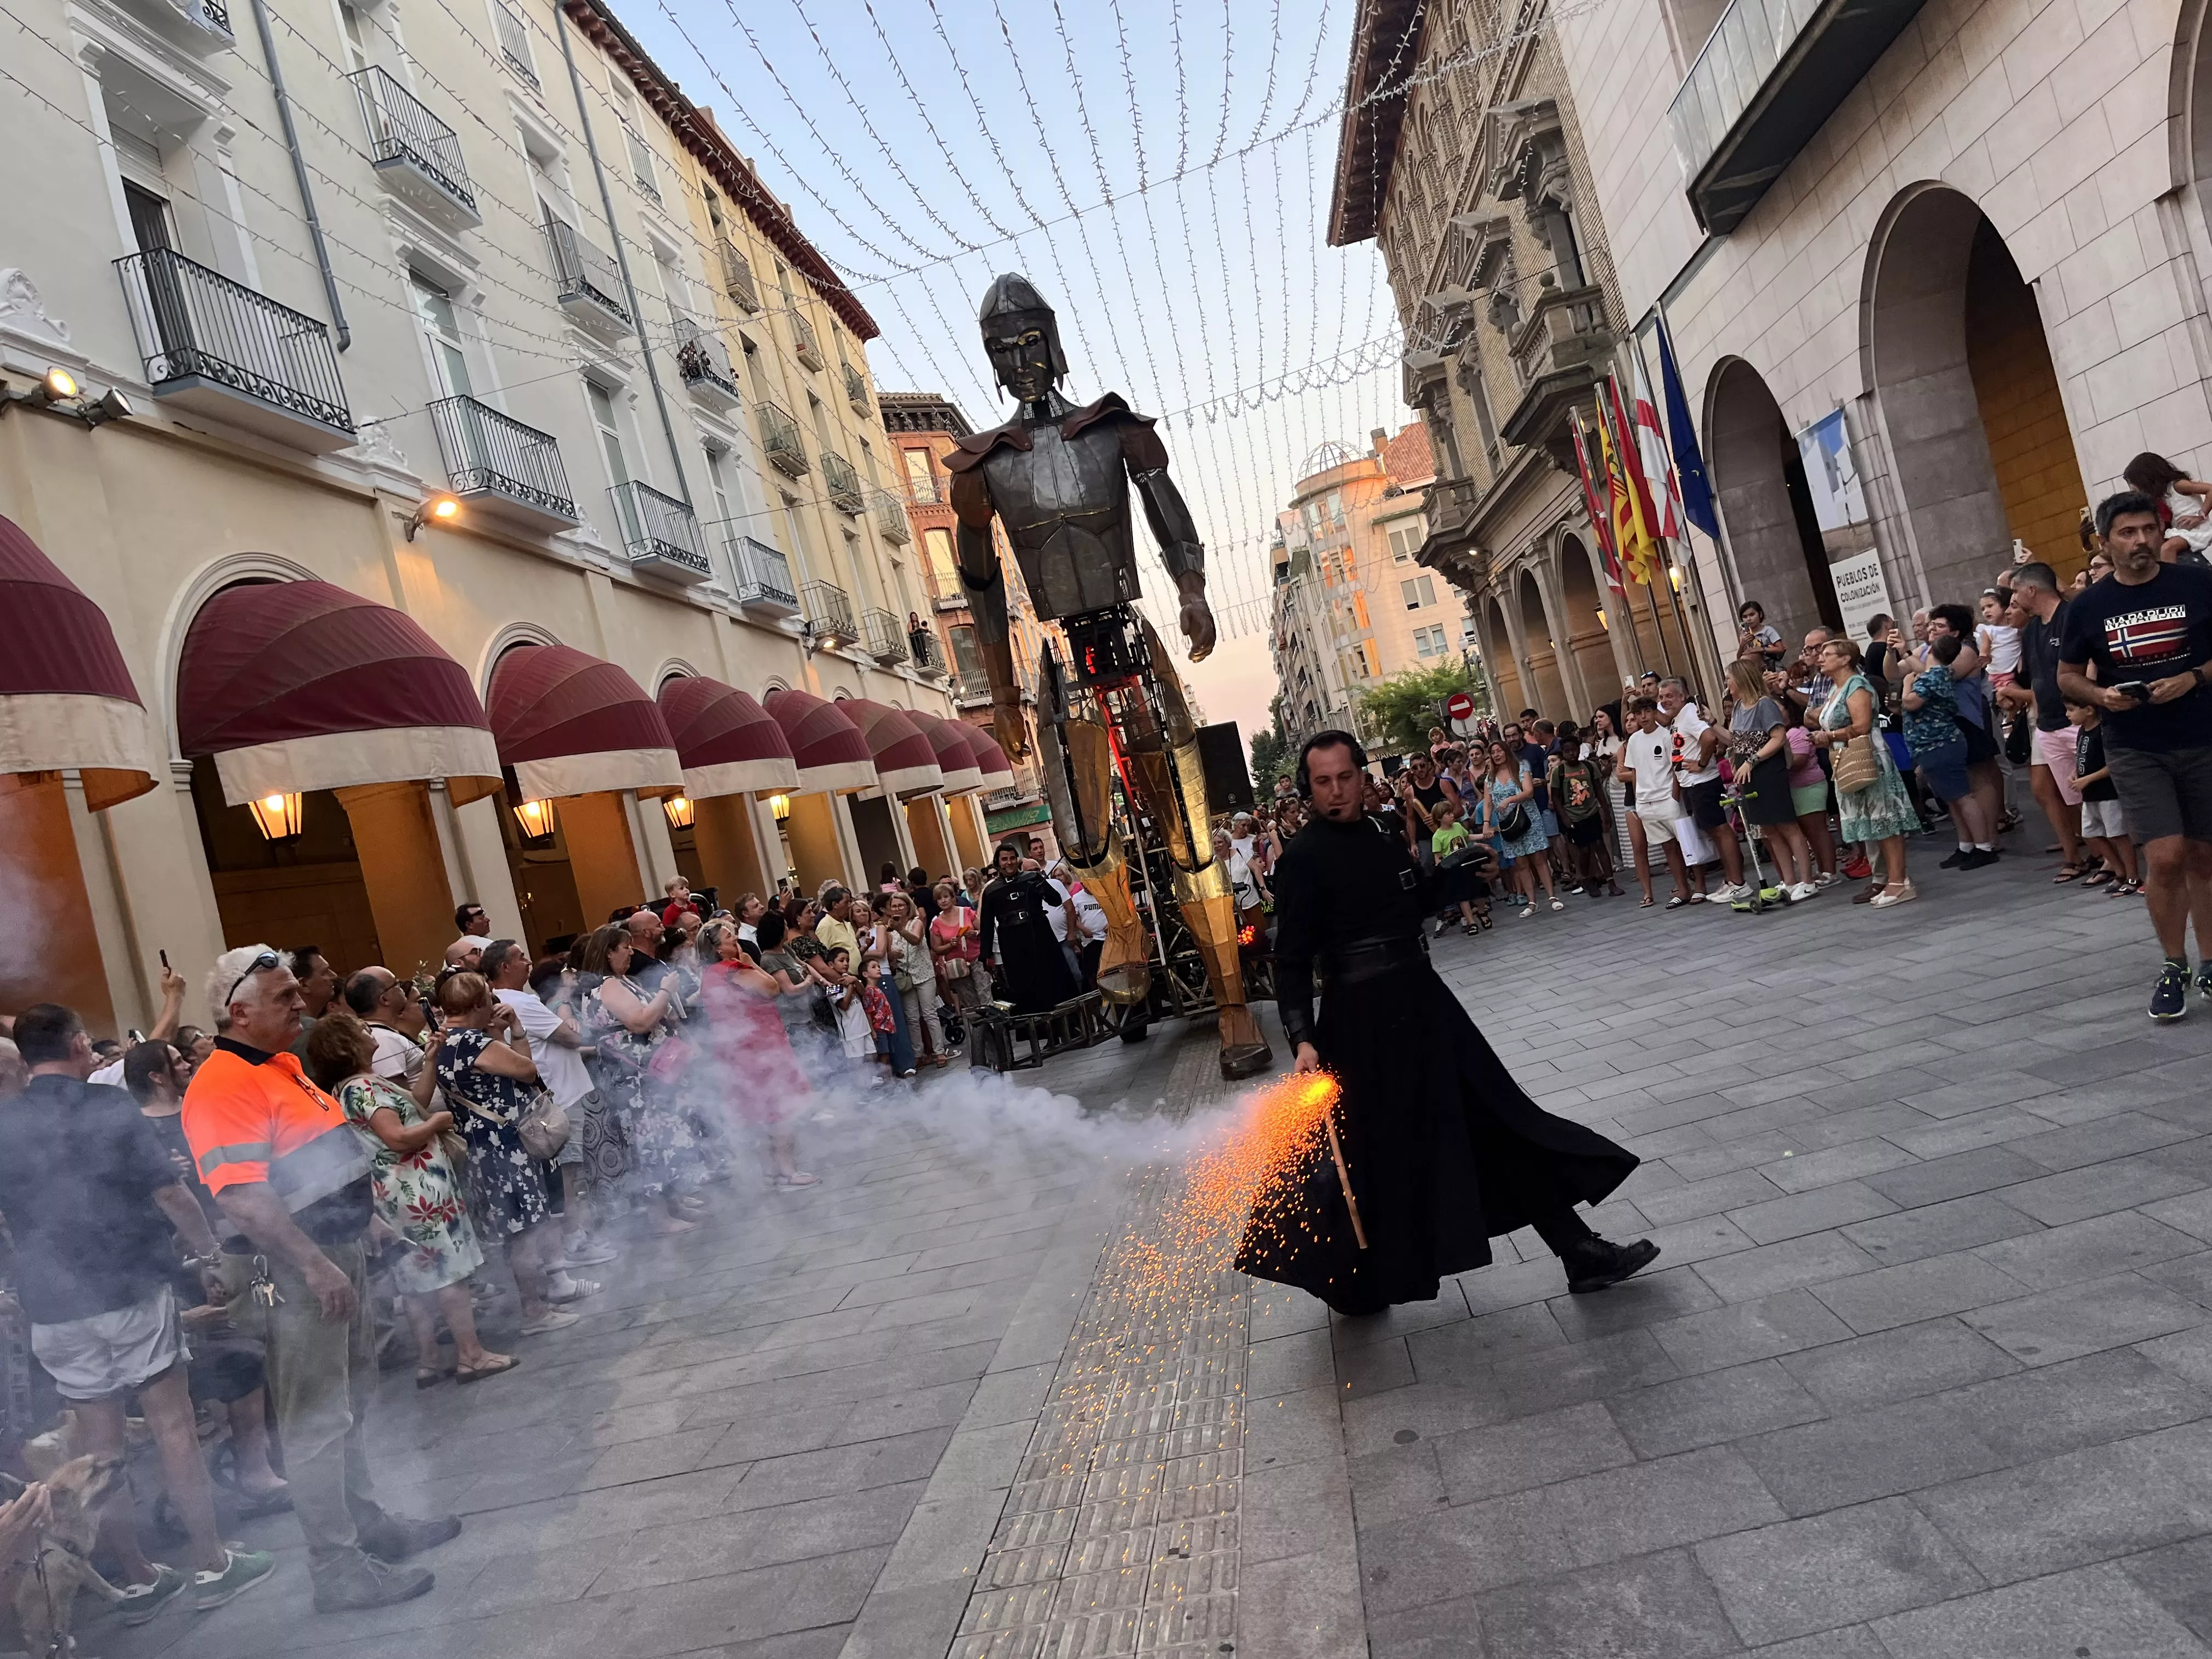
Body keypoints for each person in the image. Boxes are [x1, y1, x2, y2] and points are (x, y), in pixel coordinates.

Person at [1235, 733, 1657, 1314]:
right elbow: (1292, 959)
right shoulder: (1303, 858)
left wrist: (1459, 877)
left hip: (1424, 1006)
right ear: (1309, 789)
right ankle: (1349, 1282)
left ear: (1363, 776)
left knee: (1495, 1119)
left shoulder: (1384, 834)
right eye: (1322, 782)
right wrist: (1301, 1038)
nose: (1336, 792)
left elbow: (1410, 905)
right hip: (1360, 1031)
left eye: (1344, 777)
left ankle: (1578, 1250)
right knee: (1366, 1157)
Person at [184, 946, 460, 1611]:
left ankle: (369, 1526)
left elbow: (323, 1161)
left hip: (335, 1253)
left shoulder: (279, 1064)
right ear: (238, 1012)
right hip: (293, 1268)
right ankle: (336, 1568)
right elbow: (242, 1198)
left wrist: (367, 1228)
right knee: (313, 1422)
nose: (300, 1005)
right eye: (284, 999)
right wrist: (312, 1262)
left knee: (349, 1402)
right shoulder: (222, 1083)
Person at [2, 1006, 275, 1619]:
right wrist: (208, 1252)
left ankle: (137, 1573)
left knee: (94, 1446)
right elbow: (171, 1192)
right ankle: (211, 1563)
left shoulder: (3, 1123)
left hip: (53, 1304)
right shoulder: (105, 1108)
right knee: (173, 1423)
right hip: (127, 1286)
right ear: (77, 1045)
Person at [2059, 489, 2212, 1019]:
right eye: (2128, 533)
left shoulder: (2195, 583)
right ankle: (2174, 963)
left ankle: (2211, 963)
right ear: (2106, 542)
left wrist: (2192, 677)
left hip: (2201, 734)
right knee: (2165, 856)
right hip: (2135, 745)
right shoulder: (2090, 606)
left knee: (2204, 853)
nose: (2142, 541)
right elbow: (2067, 677)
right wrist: (2102, 697)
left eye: (2148, 529)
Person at [120, 1040, 290, 1515]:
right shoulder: (139, 1128)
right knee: (228, 1341)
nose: (185, 1065)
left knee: (266, 1330)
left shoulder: (198, 1106)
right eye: (175, 1062)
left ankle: (269, 1450)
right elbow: (156, 1196)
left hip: (234, 1233)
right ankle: (244, 1463)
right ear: (156, 1076)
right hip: (191, 1253)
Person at [303, 1011, 513, 1387]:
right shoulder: (365, 1088)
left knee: (414, 1278)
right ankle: (472, 1355)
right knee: (450, 1273)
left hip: (396, 1194)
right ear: (348, 1045)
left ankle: (429, 1361)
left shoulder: (351, 1087)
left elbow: (414, 1100)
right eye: (362, 1031)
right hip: (418, 1191)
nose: (371, 1033)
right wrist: (438, 1123)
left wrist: (430, 1059)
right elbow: (397, 1136)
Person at [431, 974, 584, 1334]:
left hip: (483, 1147)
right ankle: (535, 1310)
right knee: (526, 1230)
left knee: (518, 1229)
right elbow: (527, 1071)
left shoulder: (446, 1042)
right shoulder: (472, 1041)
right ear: (478, 1005)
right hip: (507, 1147)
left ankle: (537, 1304)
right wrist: (515, 1030)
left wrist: (503, 1033)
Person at [483, 940, 617, 1270]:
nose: (528, 962)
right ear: (504, 967)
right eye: (520, 958)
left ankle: (575, 1239)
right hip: (559, 1098)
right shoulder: (520, 1003)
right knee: (569, 1176)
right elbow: (572, 1038)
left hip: (553, 1096)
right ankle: (575, 1243)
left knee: (568, 1175)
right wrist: (570, 1023)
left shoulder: (511, 1001)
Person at [577, 923, 699, 1232]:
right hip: (634, 1079)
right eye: (625, 947)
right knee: (647, 1143)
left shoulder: (621, 982)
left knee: (663, 1136)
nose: (631, 952)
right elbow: (639, 1022)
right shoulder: (608, 986)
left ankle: (673, 1201)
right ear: (608, 952)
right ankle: (658, 1215)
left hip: (647, 1076)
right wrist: (665, 991)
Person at [698, 919, 817, 1187]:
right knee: (781, 1107)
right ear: (718, 949)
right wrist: (750, 962)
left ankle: (769, 1171)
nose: (736, 939)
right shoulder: (733, 967)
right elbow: (772, 988)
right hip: (761, 1047)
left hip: (738, 1051)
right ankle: (788, 1169)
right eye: (729, 936)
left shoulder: (710, 974)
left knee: (757, 1111)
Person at [1812, 637, 1920, 906]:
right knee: (1873, 822)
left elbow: (1861, 726)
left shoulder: (1857, 685)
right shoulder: (1835, 689)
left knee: (1885, 819)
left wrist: (1830, 735)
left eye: (1827, 653)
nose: (1820, 658)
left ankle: (1900, 881)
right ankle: (1888, 880)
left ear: (1846, 658)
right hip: (1847, 759)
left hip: (1869, 756)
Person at [2001, 561, 2087, 879]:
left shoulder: (2069, 617)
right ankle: (2079, 854)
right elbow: (2036, 676)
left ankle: (2111, 857)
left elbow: (2086, 662)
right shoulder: (2032, 629)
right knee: (2067, 792)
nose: (2013, 600)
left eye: (2015, 592)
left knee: (2090, 790)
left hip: (2076, 716)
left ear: (2031, 590)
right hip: (2047, 721)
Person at [1903, 634, 1999, 870]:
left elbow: (1911, 703)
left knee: (1963, 797)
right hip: (1931, 744)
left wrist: (1907, 685)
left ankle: (1984, 847)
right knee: (1952, 799)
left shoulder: (1934, 676)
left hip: (1941, 743)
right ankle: (1966, 845)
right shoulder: (1938, 674)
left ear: (1932, 654)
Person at [1724, 658, 1816, 898]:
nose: (1727, 683)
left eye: (1729, 678)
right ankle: (1789, 880)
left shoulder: (1764, 705)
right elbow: (1735, 740)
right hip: (1747, 774)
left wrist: (1752, 760)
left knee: (1787, 825)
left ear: (1741, 680)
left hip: (1767, 770)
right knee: (1769, 830)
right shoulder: (1737, 707)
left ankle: (1807, 881)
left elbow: (1778, 737)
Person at [1657, 676, 1749, 900]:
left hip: (1703, 783)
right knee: (1714, 832)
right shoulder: (1678, 717)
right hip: (1692, 785)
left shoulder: (1689, 712)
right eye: (1661, 698)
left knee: (1720, 830)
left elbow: (1709, 738)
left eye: (1669, 696)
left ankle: (1738, 882)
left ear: (1682, 695)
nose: (1665, 701)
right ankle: (1731, 880)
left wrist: (1701, 763)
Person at [977, 839, 1079, 1011]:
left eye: (1012, 858)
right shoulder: (990, 890)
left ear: (1017, 860)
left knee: (1052, 976)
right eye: (1004, 859)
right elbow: (986, 924)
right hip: (1012, 942)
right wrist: (986, 955)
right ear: (998, 863)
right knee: (1023, 982)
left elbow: (1055, 901)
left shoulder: (1032, 877)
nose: (1009, 862)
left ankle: (1068, 1021)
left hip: (1040, 934)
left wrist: (1043, 889)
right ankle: (1037, 1027)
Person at [1619, 697, 1691, 908]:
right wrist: (1638, 801)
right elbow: (1634, 773)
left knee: (1686, 843)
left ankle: (1700, 888)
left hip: (1667, 798)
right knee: (1669, 847)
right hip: (1646, 802)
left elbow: (1676, 768)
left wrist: (1674, 798)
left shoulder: (1666, 735)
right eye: (1639, 713)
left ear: (1654, 712)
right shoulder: (1634, 740)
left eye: (1647, 711)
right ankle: (1683, 889)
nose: (1643, 717)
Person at [1479, 737, 1560, 913]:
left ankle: (1552, 897)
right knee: (1521, 863)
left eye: (1499, 751)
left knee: (1539, 858)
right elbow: (1487, 803)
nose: (1496, 755)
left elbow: (1529, 792)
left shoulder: (1521, 770)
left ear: (1506, 751)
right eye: (1493, 753)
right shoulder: (1489, 779)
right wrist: (1486, 823)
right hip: (1509, 826)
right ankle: (1532, 903)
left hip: (1528, 819)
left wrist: (1510, 800)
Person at [2069, 697, 2140, 894]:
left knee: (2118, 835)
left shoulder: (2103, 732)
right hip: (2089, 795)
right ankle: (2119, 872)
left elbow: (2112, 765)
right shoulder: (2083, 731)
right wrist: (2076, 773)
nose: (2068, 714)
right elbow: (2082, 757)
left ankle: (2133, 876)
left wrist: (2089, 779)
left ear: (2089, 710)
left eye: (2071, 709)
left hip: (2107, 793)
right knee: (2091, 834)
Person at [881, 890, 950, 1065]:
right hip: (906, 977)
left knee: (929, 1013)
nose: (897, 909)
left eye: (900, 906)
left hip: (924, 974)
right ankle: (919, 1054)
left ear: (907, 907)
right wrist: (891, 955)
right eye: (894, 906)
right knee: (911, 1017)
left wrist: (901, 929)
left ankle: (939, 1051)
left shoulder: (916, 922)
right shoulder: (889, 929)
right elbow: (887, 953)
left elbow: (916, 940)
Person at [1546, 720, 1613, 896]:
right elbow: (1556, 798)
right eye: (1567, 752)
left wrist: (1605, 812)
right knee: (1584, 850)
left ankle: (1611, 882)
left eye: (1574, 750)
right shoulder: (1559, 773)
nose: (1571, 754)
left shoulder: (1590, 768)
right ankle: (1587, 879)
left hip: (1592, 812)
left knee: (1600, 845)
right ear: (1563, 753)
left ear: (1579, 749)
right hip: (1575, 817)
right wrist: (1565, 818)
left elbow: (1598, 790)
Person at [2123, 452, 2212, 564]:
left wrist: (2200, 516)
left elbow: (2210, 489)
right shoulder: (2163, 494)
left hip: (2196, 530)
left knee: (2168, 548)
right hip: (2182, 530)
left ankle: (2170, 578)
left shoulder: (2177, 485)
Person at [930, 879, 987, 1017]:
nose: (943, 901)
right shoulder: (936, 923)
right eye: (939, 899)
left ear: (952, 897)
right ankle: (982, 1035)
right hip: (957, 965)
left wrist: (975, 933)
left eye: (946, 897)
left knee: (985, 994)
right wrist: (950, 945)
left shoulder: (967, 912)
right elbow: (937, 949)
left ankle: (995, 1029)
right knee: (970, 1001)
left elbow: (985, 931)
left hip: (977, 958)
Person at [1737, 600, 1785, 669]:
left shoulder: (1768, 630)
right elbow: (1739, 659)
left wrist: (1761, 649)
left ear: (1760, 614)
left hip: (1773, 667)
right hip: (1755, 669)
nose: (1749, 619)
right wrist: (1742, 645)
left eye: (1752, 615)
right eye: (1745, 617)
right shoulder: (1745, 635)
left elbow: (1780, 649)